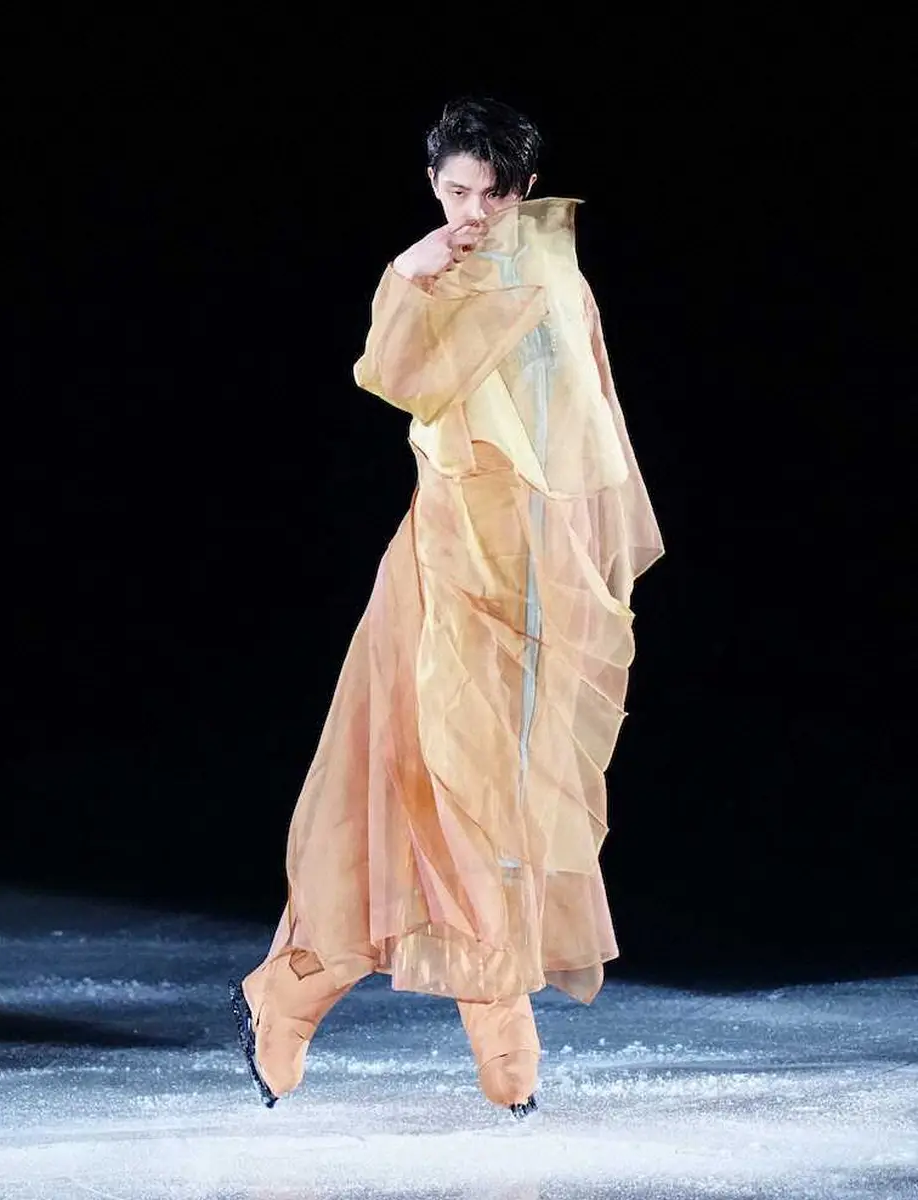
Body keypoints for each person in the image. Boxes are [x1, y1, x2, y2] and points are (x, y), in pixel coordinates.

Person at [230, 96, 664, 1119]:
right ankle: (376, 1009)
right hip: (445, 565)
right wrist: (407, 273)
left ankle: (315, 998)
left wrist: (587, 569)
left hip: (534, 575)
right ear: (434, 183)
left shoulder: (554, 277)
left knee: (504, 804)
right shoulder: (433, 275)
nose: (471, 213)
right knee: (419, 787)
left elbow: (590, 426)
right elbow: (393, 376)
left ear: (523, 191)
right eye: (456, 191)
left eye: (491, 195)